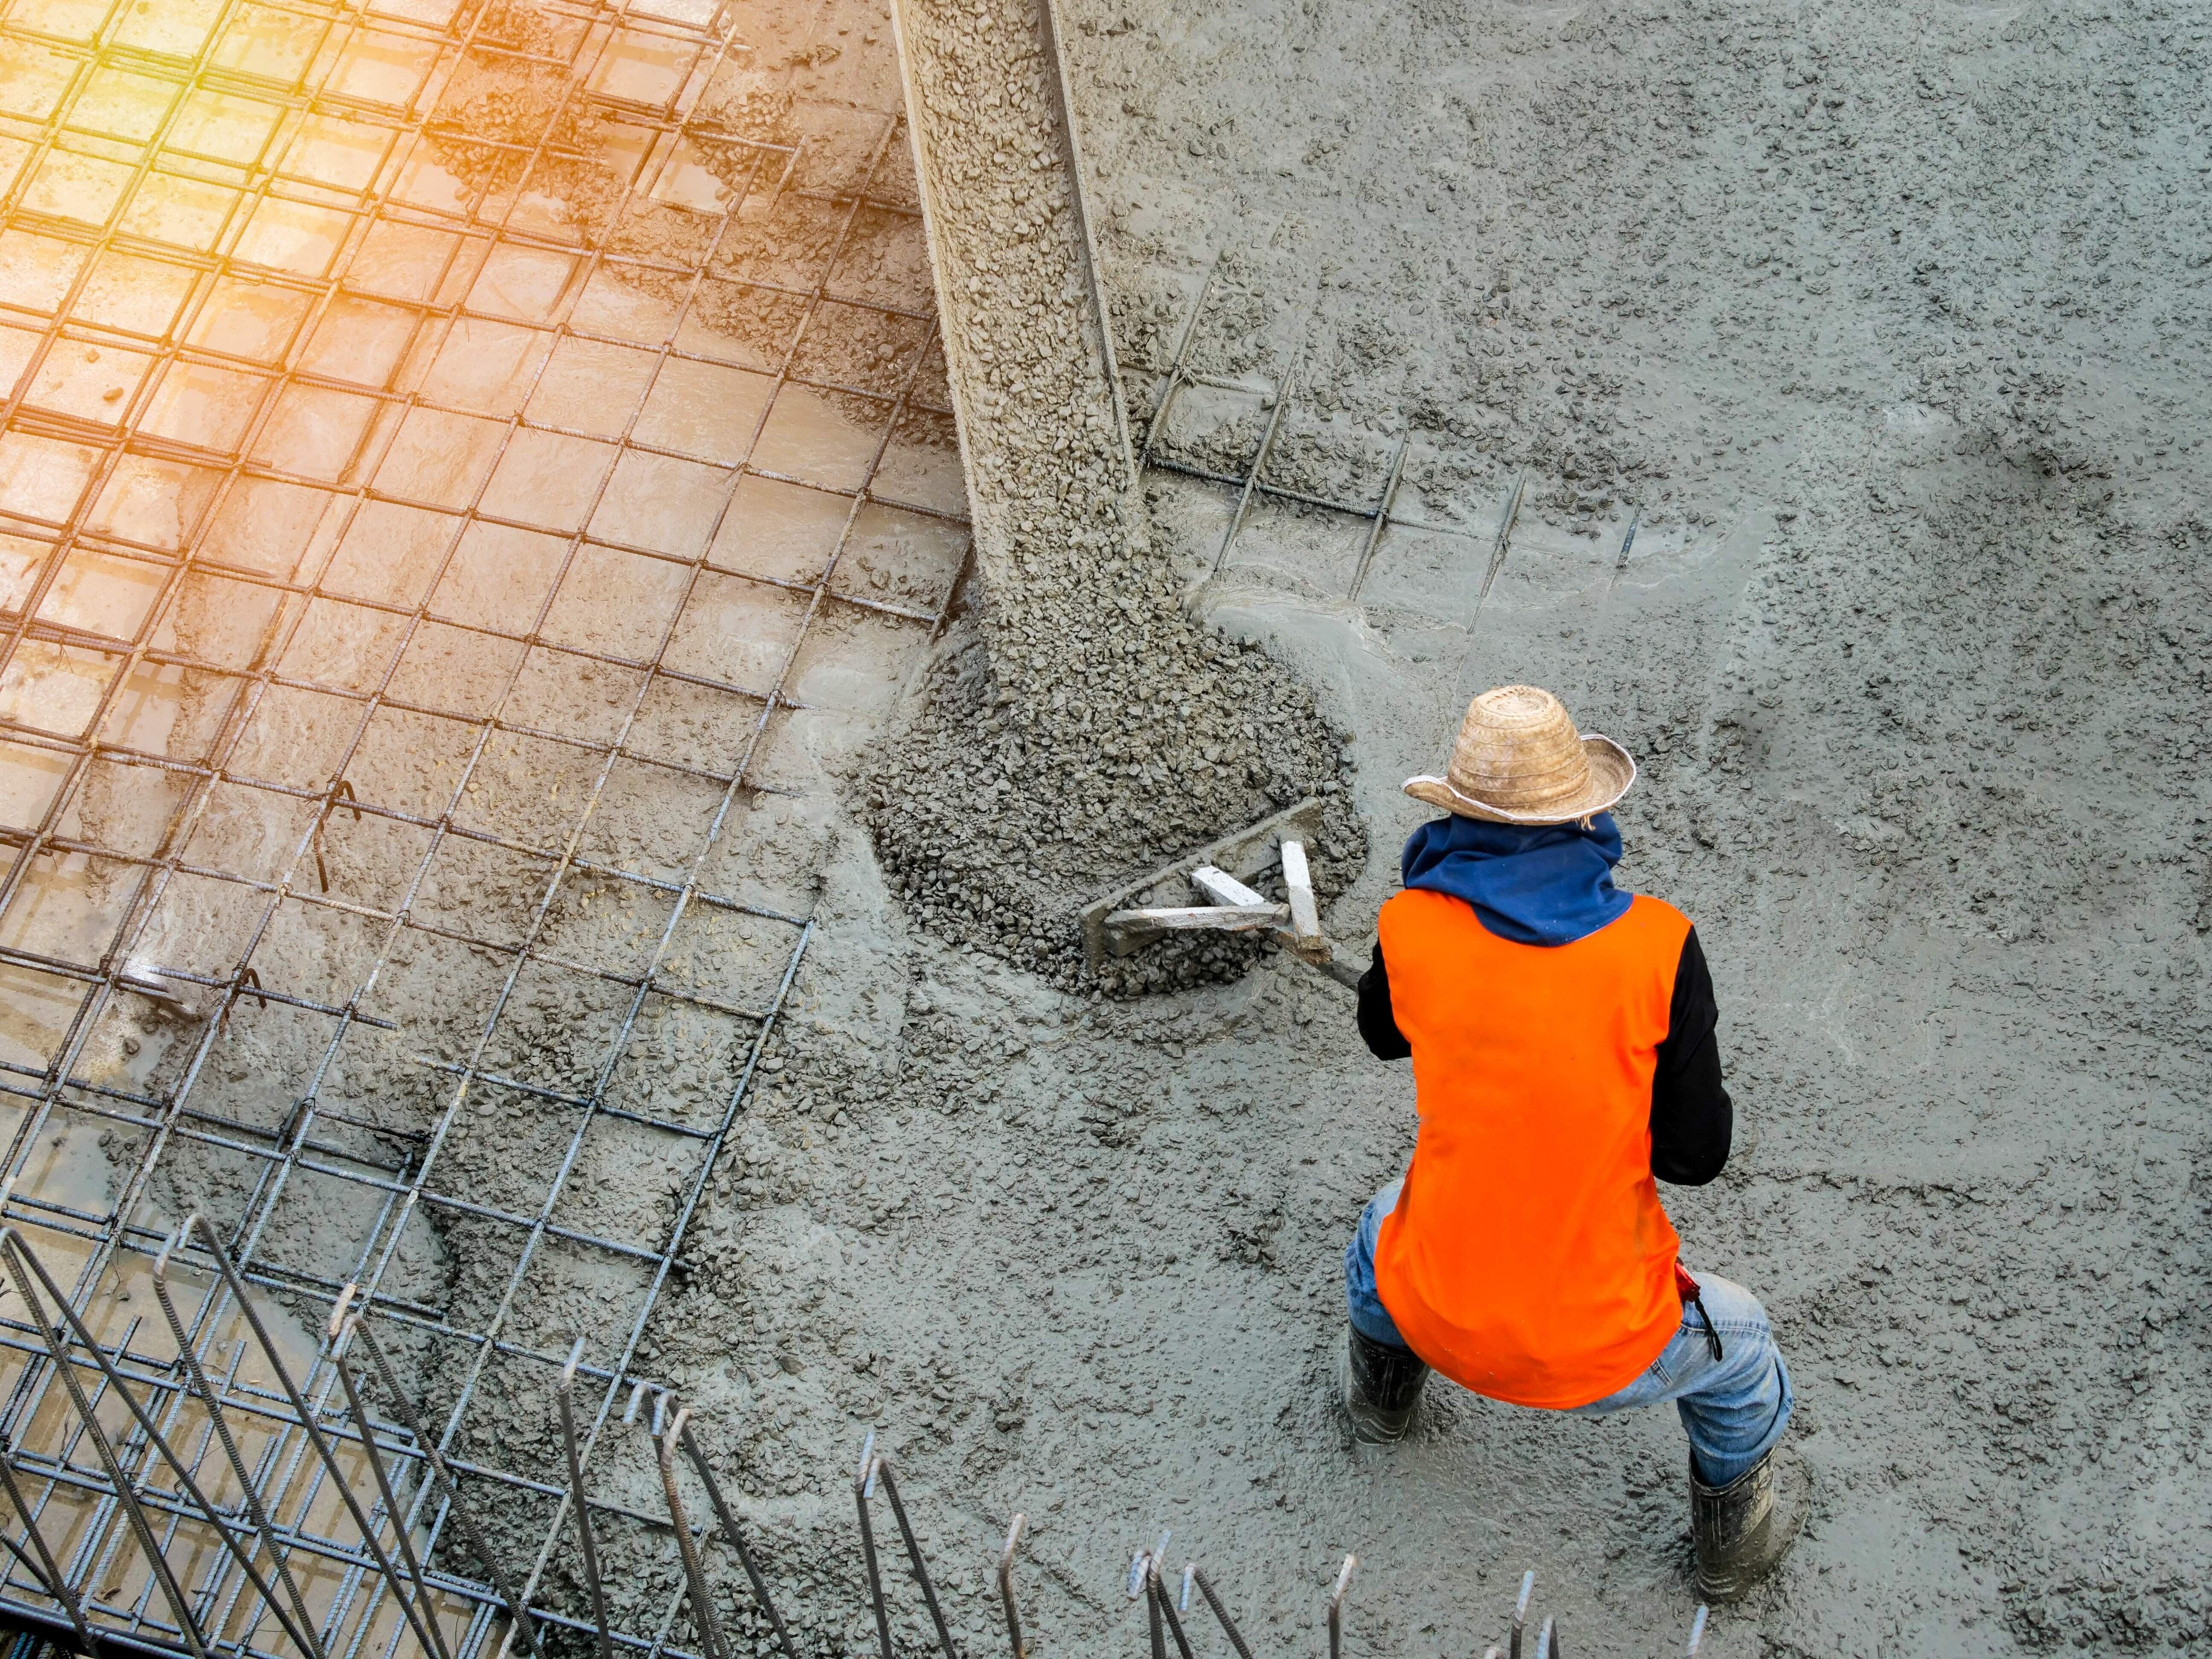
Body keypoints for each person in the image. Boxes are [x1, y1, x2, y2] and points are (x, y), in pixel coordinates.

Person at [1341, 684, 1804, 1603]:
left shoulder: (1411, 920)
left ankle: (1381, 1406)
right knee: (1745, 1352)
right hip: (1597, 1342)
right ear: (1588, 814)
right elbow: (1694, 1156)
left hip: (1435, 1302)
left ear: (1459, 815)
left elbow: (1383, 1034)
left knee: (1379, 1229)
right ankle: (1732, 1549)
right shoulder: (1660, 948)